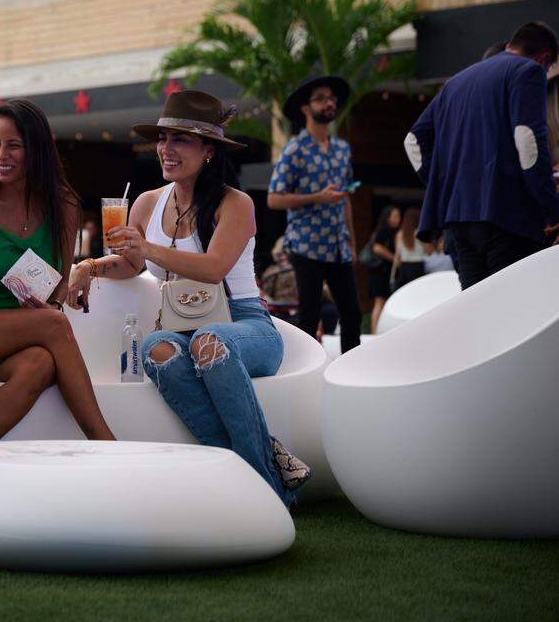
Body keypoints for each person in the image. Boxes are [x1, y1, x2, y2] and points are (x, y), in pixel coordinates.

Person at [65, 90, 307, 505]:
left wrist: (148, 249)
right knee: (157, 348)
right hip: (182, 327)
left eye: (180, 140)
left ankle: (266, 493)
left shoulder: (237, 203)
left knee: (207, 342)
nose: (166, 149)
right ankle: (252, 464)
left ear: (208, 150)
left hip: (244, 324)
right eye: (162, 139)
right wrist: (89, 267)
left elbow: (214, 268)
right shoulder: (146, 203)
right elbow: (130, 265)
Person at [0, 99, 115, 450]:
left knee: (41, 364)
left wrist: (50, 306)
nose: (1, 154)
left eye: (14, 145)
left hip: (26, 330)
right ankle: (106, 443)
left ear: (37, 149)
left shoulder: (65, 205)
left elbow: (58, 284)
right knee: (54, 325)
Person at [406, 21, 559, 289]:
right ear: (544, 58)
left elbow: (414, 141)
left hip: (459, 223)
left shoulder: (455, 82)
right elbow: (527, 139)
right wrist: (551, 206)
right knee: (511, 314)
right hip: (509, 218)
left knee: (478, 315)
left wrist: (447, 188)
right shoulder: (528, 70)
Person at [267, 75, 361, 353]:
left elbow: (345, 199)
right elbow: (273, 199)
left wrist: (353, 243)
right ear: (305, 108)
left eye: (331, 98)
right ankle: (308, 372)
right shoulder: (294, 150)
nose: (329, 102)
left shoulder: (343, 149)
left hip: (338, 246)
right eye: (320, 98)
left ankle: (351, 374)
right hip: (306, 245)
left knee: (352, 313)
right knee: (309, 315)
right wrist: (317, 198)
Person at [367, 205, 400, 333]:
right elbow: (377, 248)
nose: (398, 219)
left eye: (399, 216)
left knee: (383, 301)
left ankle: (379, 331)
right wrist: (394, 259)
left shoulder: (394, 232)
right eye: (395, 216)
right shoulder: (383, 231)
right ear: (387, 218)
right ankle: (374, 331)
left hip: (384, 272)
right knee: (379, 301)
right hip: (379, 272)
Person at [392, 207, 429, 291]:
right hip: (418, 267)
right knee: (418, 292)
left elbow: (397, 256)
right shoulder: (420, 234)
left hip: (404, 267)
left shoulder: (399, 234)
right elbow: (428, 251)